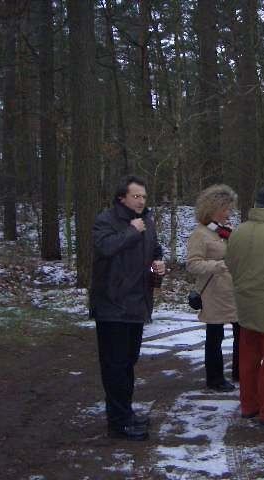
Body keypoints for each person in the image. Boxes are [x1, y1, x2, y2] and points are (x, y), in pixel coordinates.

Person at [90, 175, 165, 441]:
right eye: (136, 196)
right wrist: (132, 231)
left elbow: (155, 248)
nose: (141, 201)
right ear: (122, 198)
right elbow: (104, 248)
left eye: (143, 196)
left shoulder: (147, 220)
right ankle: (118, 422)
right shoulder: (106, 220)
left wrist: (158, 262)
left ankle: (126, 413)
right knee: (115, 365)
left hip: (137, 304)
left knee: (128, 363)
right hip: (112, 305)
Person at [225, 187, 264, 424]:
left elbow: (230, 264)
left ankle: (248, 405)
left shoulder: (238, 231)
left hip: (245, 304)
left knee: (247, 359)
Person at [186, 184, 240, 392]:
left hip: (233, 292)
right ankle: (215, 378)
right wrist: (219, 265)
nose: (229, 213)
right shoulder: (200, 234)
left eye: (230, 208)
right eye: (226, 209)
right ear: (213, 209)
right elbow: (193, 264)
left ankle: (240, 372)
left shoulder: (225, 231)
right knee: (215, 336)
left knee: (241, 334)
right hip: (214, 293)